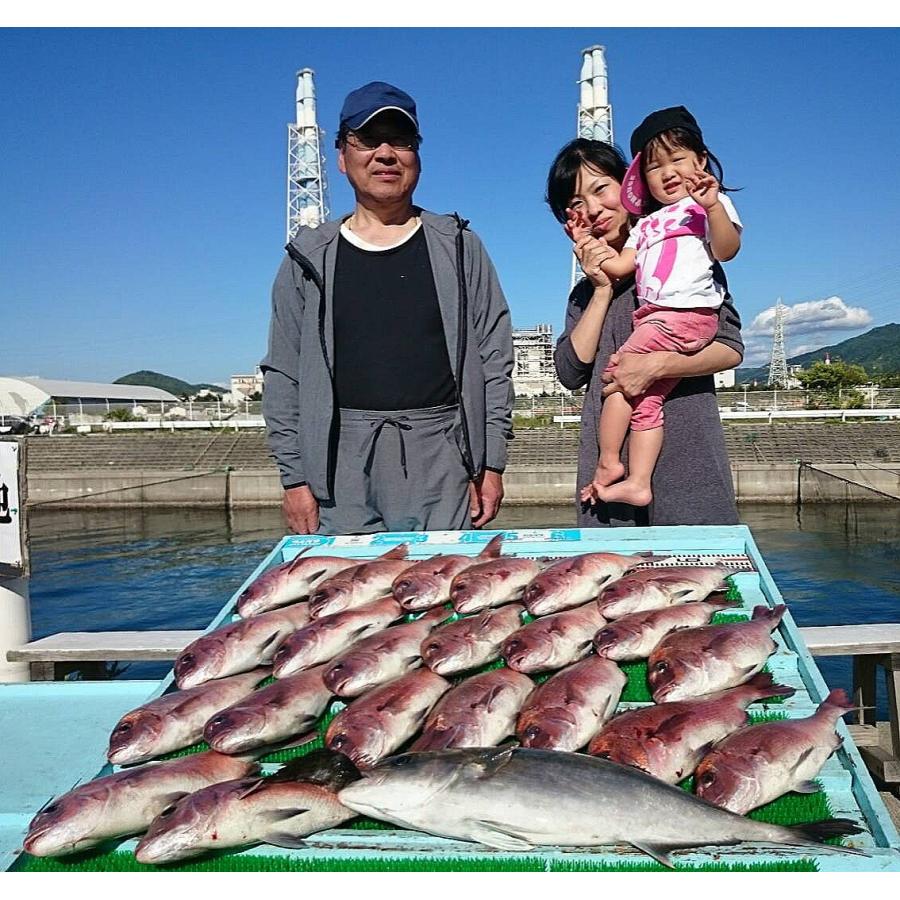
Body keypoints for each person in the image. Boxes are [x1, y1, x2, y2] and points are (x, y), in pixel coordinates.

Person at [261, 81, 514, 536]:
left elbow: (495, 359)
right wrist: (294, 478)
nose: (385, 154)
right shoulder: (307, 257)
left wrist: (490, 462)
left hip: (444, 457)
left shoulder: (459, 246)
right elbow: (283, 373)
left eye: (400, 140)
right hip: (338, 463)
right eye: (367, 140)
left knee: (442, 577)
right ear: (342, 156)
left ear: (417, 155)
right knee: (346, 581)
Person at [548, 137, 743, 527]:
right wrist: (602, 289)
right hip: (608, 479)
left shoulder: (687, 255)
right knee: (609, 567)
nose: (593, 209)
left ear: (628, 185)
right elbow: (570, 371)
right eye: (576, 203)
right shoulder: (583, 293)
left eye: (601, 189)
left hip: (687, 462)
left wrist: (658, 365)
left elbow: (730, 348)